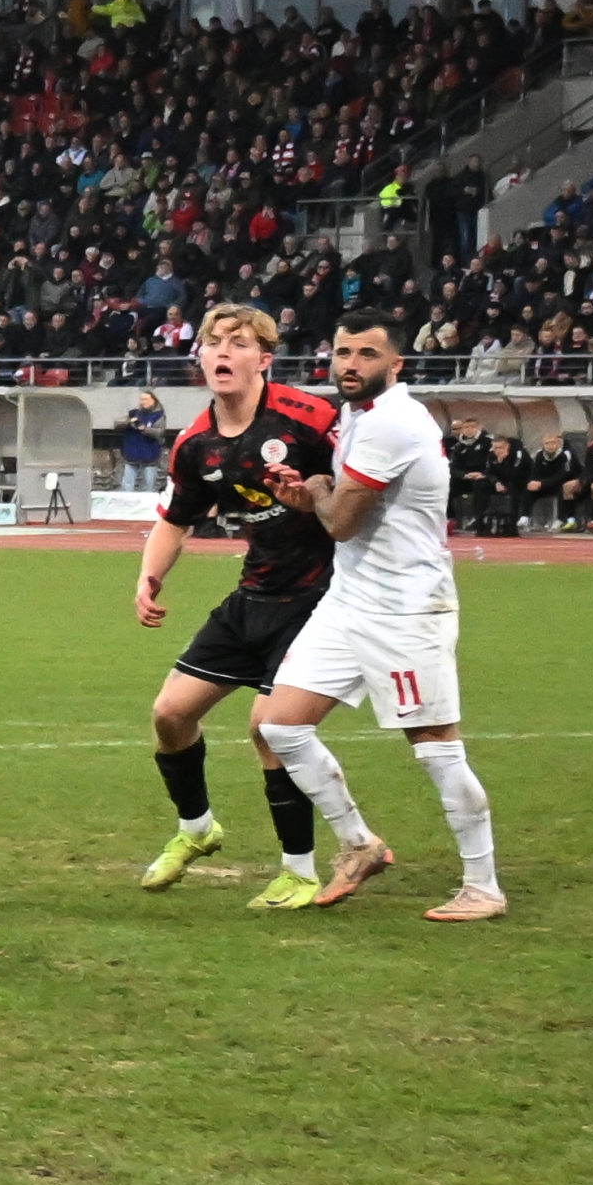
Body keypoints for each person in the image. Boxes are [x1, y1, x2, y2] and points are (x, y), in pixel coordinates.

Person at [261, 308, 506, 923]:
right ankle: (359, 844)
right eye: (343, 352)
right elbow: (343, 512)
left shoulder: (392, 422)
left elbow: (343, 521)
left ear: (397, 363)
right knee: (280, 725)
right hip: (350, 600)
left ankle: (483, 887)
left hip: (406, 610)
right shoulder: (358, 414)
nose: (350, 365)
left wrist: (319, 491)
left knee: (435, 747)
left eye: (366, 354)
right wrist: (312, 496)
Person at [134, 304, 361, 911]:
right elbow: (175, 519)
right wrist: (149, 577)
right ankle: (197, 829)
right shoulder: (196, 443)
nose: (223, 352)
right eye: (214, 342)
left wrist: (315, 495)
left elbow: (362, 492)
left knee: (269, 729)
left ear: (264, 358)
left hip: (319, 597)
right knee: (170, 715)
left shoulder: (312, 419)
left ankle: (299, 871)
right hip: (254, 593)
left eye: (238, 343)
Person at [525, 432, 584, 531]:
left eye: (553, 443)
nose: (550, 446)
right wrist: (533, 482)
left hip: (569, 482)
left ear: (558, 443)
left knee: (563, 489)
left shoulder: (565, 454)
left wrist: (542, 483)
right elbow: (535, 472)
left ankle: (562, 520)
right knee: (529, 489)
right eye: (547, 443)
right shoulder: (540, 455)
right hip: (548, 483)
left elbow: (564, 475)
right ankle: (525, 518)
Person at [119, 391, 165, 491]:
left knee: (148, 485)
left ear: (153, 400)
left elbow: (159, 432)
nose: (143, 402)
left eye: (146, 399)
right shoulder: (134, 413)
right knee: (127, 484)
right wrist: (128, 422)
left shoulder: (158, 415)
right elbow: (117, 424)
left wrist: (145, 429)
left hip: (150, 454)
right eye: (142, 399)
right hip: (132, 453)